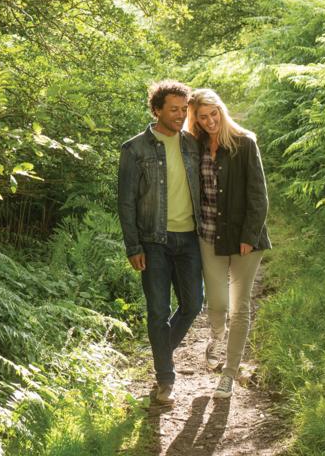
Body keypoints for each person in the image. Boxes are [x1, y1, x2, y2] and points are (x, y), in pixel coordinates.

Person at [118, 80, 203, 406]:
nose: (180, 115)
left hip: (189, 239)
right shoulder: (135, 148)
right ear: (156, 110)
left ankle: (158, 354)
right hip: (152, 241)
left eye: (184, 110)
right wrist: (133, 246)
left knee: (193, 305)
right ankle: (166, 379)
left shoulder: (192, 145)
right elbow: (126, 201)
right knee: (158, 312)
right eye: (173, 109)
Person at [187, 88, 271, 399]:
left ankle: (229, 372)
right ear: (194, 120)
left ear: (222, 110)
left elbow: (259, 196)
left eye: (214, 114)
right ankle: (217, 337)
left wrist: (249, 235)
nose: (210, 121)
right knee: (218, 302)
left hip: (245, 239)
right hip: (208, 234)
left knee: (240, 306)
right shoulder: (193, 147)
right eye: (202, 117)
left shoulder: (245, 143)